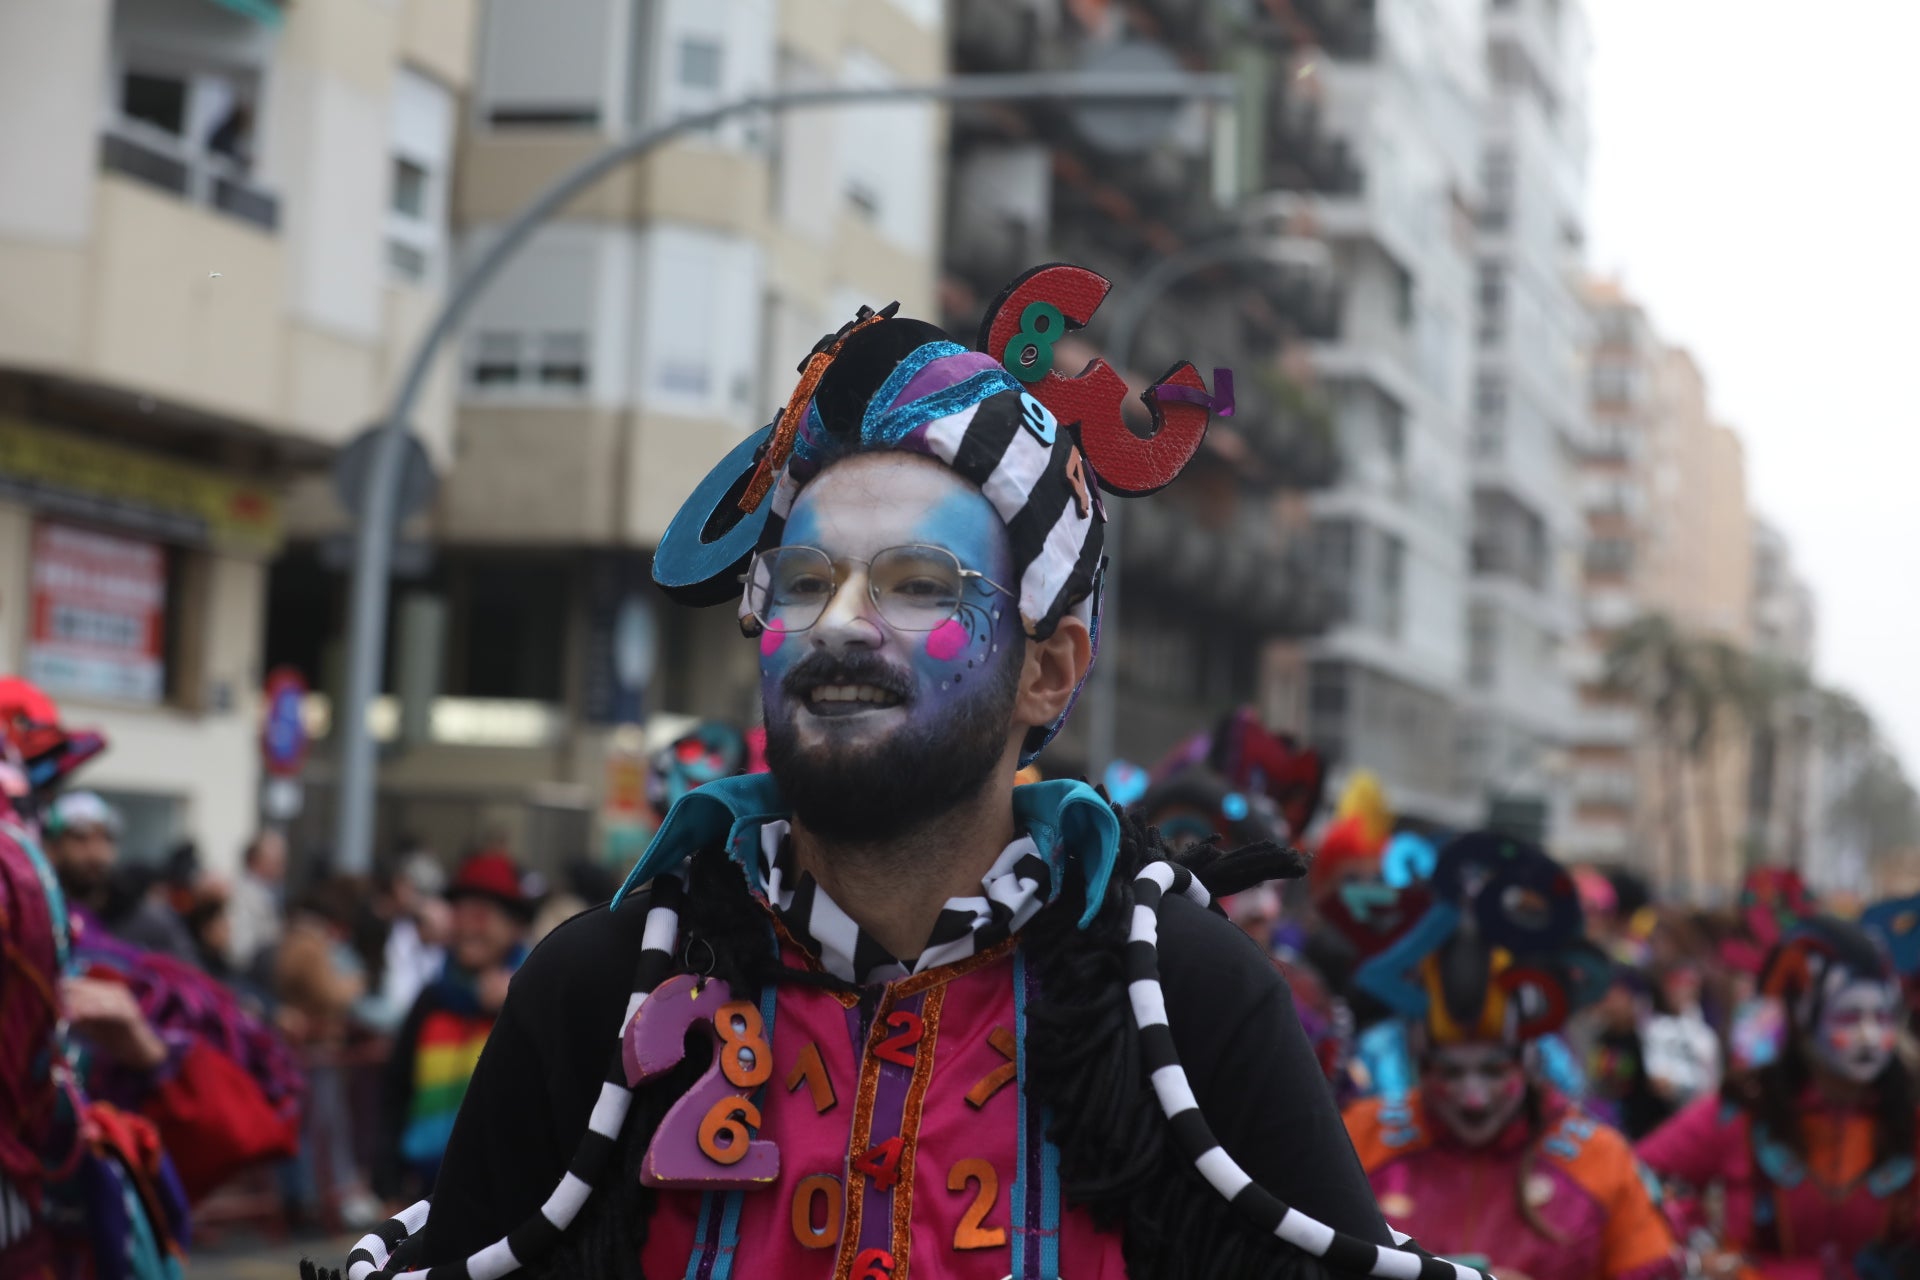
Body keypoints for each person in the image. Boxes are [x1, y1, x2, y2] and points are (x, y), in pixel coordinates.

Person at [310, 274, 1448, 1280]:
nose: (838, 625)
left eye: (916, 584)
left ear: (1047, 672)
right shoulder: (604, 986)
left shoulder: (1183, 1000)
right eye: (801, 581)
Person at [1341, 832, 1682, 1280]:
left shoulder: (1600, 1163)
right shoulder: (1358, 1141)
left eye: (1494, 1069)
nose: (1473, 1099)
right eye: (1449, 1071)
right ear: (1419, 1061)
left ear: (1529, 1060)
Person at [1637, 917, 1920, 1279]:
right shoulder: (1747, 1111)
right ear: (1805, 1020)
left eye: (1882, 1018)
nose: (1869, 1036)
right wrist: (1700, 1249)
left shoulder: (1910, 1118)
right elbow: (1639, 1176)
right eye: (1849, 1017)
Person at [374, 850, 531, 1203]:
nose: (468, 928)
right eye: (460, 914)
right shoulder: (432, 999)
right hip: (424, 1192)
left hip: (502, 1196)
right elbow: (397, 1090)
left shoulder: (534, 999)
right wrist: (389, 1176)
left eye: (482, 916)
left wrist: (515, 1006)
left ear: (513, 926)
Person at [228, 828, 289, 974]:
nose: (282, 868)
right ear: (254, 861)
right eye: (276, 862)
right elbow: (240, 951)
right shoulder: (242, 894)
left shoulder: (268, 892)